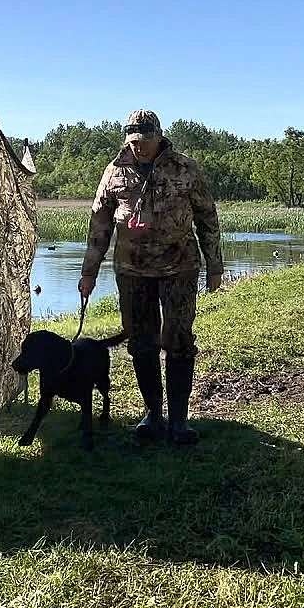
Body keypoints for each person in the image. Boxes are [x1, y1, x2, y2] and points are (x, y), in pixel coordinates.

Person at [78, 109, 223, 445]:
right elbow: (99, 224)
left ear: (158, 136)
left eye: (144, 141)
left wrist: (214, 266)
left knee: (179, 341)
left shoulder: (185, 168)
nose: (139, 148)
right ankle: (153, 415)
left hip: (179, 267)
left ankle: (179, 421)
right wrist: (89, 272)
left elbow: (207, 217)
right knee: (141, 344)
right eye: (133, 142)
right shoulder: (114, 171)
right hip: (132, 270)